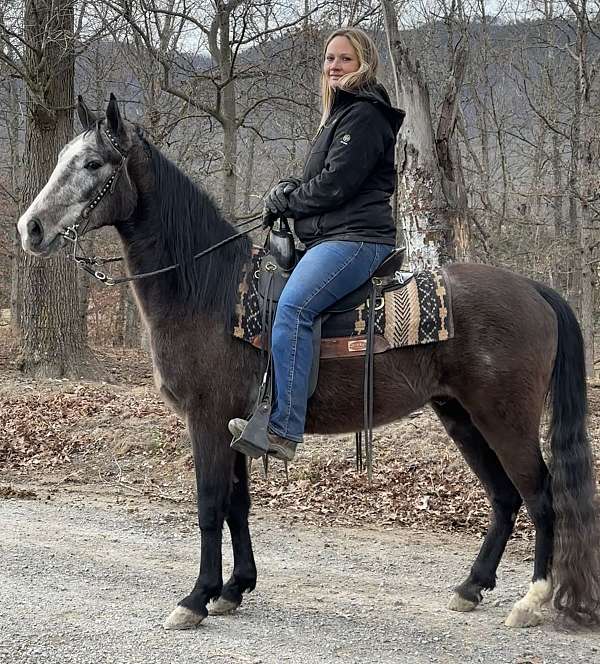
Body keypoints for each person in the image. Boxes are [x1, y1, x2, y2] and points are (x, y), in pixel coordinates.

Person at [229, 27, 405, 461]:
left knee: (294, 307)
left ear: (363, 63)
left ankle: (282, 430)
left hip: (357, 239)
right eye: (329, 59)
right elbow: (318, 182)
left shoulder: (365, 114)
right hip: (331, 235)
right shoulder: (339, 117)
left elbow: (335, 187)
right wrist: (289, 190)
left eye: (344, 59)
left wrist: (290, 201)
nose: (334, 66)